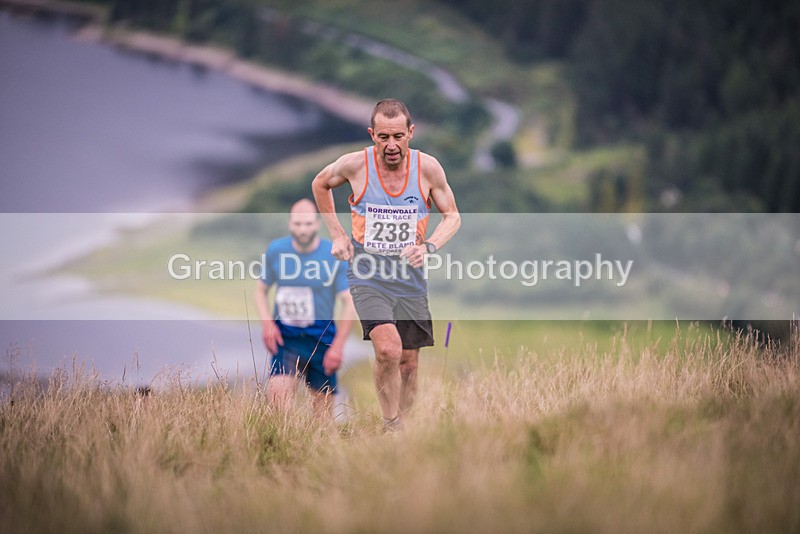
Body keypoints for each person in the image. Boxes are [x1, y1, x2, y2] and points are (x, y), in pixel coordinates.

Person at [312, 98, 461, 430]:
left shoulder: (428, 169)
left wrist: (430, 246)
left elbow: (452, 217)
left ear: (410, 132)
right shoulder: (355, 165)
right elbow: (320, 183)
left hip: (410, 276)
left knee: (409, 363)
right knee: (389, 350)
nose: (391, 145)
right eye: (383, 137)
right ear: (372, 134)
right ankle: (391, 423)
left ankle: (403, 426)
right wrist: (337, 234)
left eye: (397, 136)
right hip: (368, 272)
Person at [254, 199, 356, 418]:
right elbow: (260, 290)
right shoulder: (276, 250)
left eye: (308, 223)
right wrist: (267, 324)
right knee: (277, 409)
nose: (302, 229)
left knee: (321, 421)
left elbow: (349, 302)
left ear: (318, 224)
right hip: (287, 340)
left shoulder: (333, 253)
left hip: (322, 342)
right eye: (298, 224)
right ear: (290, 224)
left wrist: (337, 346)